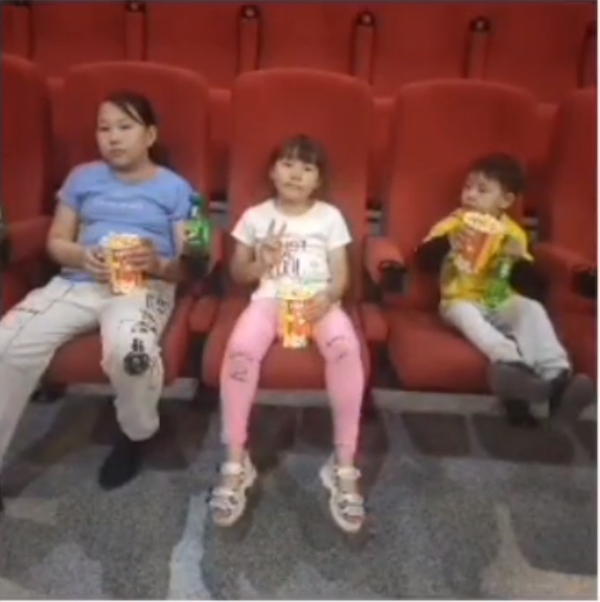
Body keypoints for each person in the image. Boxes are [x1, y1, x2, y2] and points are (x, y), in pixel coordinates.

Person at [0, 90, 195, 511]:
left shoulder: (177, 189)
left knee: (131, 354)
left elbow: (192, 262)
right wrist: (79, 255)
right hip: (78, 282)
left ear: (150, 135)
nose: (113, 137)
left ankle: (136, 435)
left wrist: (158, 263)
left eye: (125, 127)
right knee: (6, 344)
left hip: (143, 287)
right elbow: (56, 241)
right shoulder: (81, 178)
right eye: (104, 128)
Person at [209, 134, 366, 534]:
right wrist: (261, 263)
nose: (296, 174)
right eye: (288, 164)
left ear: (318, 180)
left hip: (317, 303)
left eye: (307, 168)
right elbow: (238, 273)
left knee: (346, 349)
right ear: (272, 171)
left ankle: (343, 465)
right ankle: (235, 460)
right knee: (240, 350)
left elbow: (341, 274)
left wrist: (328, 296)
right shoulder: (255, 217)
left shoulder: (329, 217)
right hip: (269, 301)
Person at [414, 153, 595, 425]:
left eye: (482, 190)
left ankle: (557, 378)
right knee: (467, 315)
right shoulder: (453, 225)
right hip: (458, 298)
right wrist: (448, 243)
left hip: (500, 299)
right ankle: (511, 366)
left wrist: (518, 260)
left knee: (531, 309)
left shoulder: (514, 234)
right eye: (467, 187)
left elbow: (534, 287)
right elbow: (422, 261)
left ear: (506, 201)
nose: (470, 194)